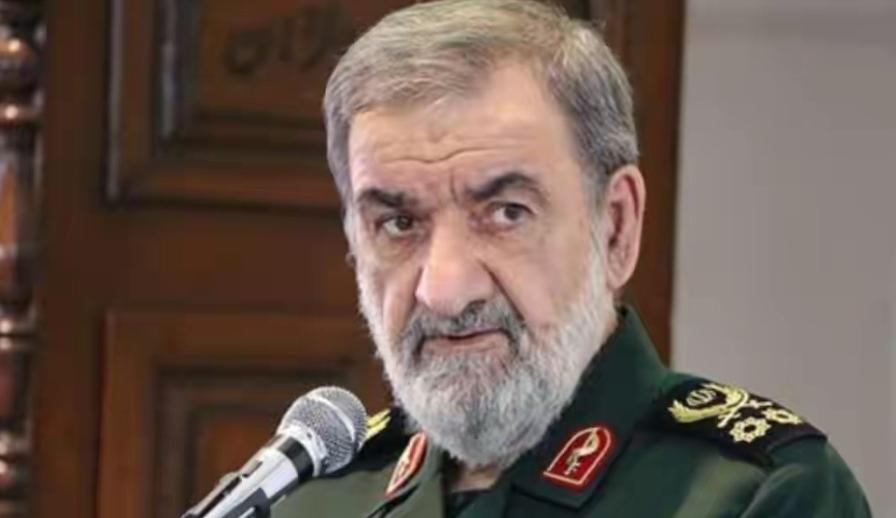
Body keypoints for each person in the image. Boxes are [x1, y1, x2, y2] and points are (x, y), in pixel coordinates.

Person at [273, 0, 871, 516]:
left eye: (506, 212)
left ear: (617, 228)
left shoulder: (756, 494)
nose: (445, 290)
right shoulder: (311, 498)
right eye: (399, 224)